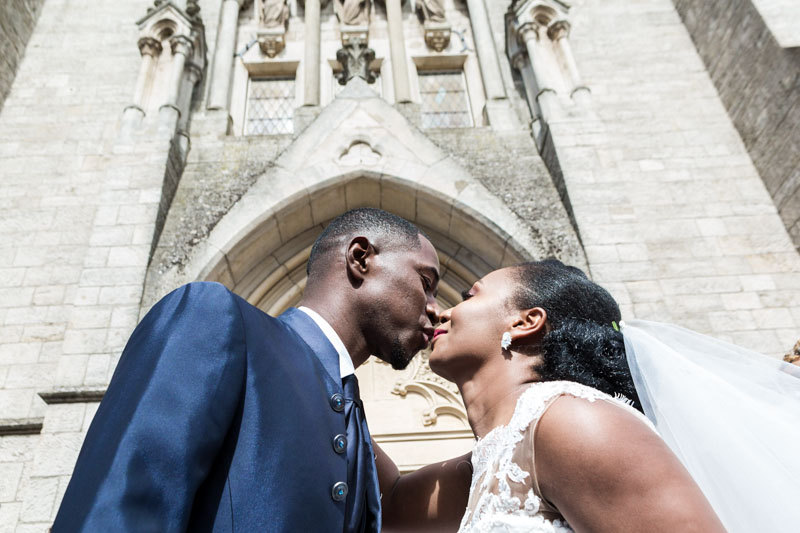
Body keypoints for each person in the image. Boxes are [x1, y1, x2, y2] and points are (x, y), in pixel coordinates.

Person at [53, 208, 441, 532]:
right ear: (360, 258)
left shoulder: (353, 418)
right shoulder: (214, 316)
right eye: (426, 282)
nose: (435, 307)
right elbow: (119, 504)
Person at [378, 259, 726, 532]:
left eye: (470, 296)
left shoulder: (570, 420)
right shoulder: (495, 457)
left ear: (525, 322)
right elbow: (387, 502)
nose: (441, 311)